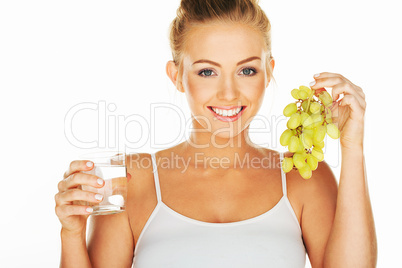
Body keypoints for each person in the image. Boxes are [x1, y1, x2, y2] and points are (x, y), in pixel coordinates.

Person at [55, 0, 377, 267]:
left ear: (268, 74)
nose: (228, 93)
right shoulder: (129, 180)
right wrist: (71, 234)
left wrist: (353, 145)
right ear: (177, 76)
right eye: (207, 71)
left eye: (247, 70)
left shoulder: (304, 179)